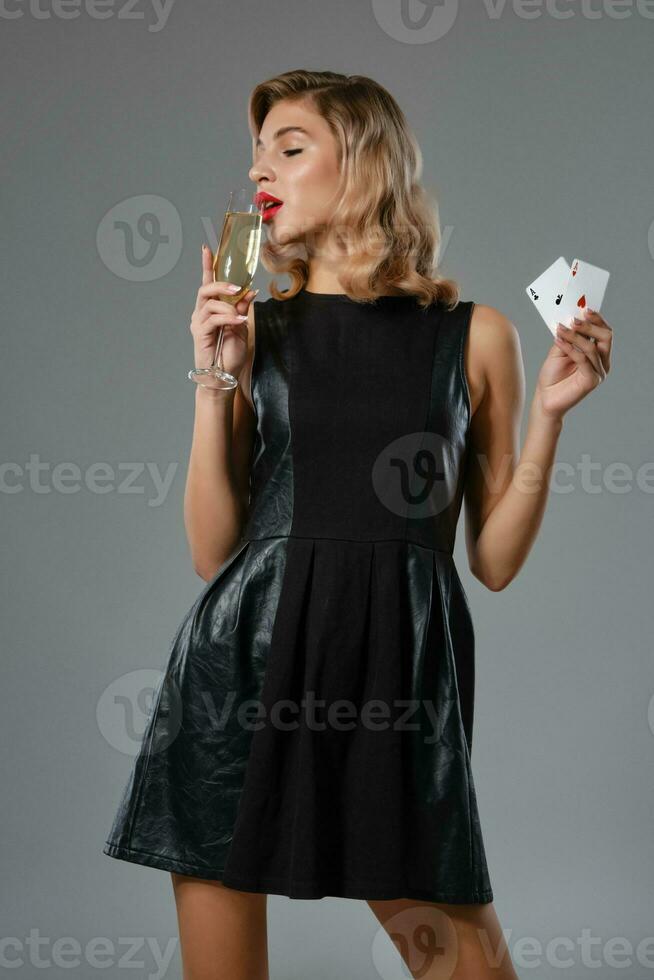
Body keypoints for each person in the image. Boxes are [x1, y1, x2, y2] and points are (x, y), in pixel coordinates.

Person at [102, 70, 613, 980]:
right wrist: (212, 376)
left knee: (472, 970)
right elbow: (212, 550)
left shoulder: (476, 335)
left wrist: (550, 416)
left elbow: (490, 562)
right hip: (243, 675)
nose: (262, 170)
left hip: (392, 680)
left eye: (290, 148)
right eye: (257, 152)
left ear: (366, 165)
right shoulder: (255, 330)